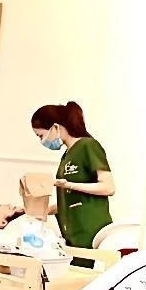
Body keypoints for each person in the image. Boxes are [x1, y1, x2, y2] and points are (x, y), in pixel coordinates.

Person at [31, 102, 114, 260]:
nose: (42, 141)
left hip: (90, 230)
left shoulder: (88, 146)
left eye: (41, 136)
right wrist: (41, 211)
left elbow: (108, 187)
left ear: (55, 127)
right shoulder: (67, 155)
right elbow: (70, 200)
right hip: (72, 235)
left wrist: (70, 184)